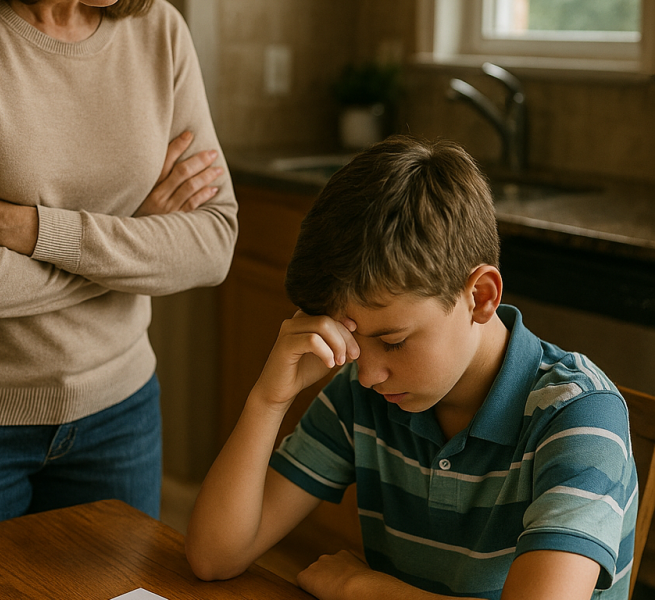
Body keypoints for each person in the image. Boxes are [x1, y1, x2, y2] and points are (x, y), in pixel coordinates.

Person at [185, 135, 637, 600]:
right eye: (353, 343)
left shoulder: (578, 417)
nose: (367, 374)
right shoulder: (365, 393)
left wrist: (366, 588)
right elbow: (214, 557)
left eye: (393, 342)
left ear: (480, 297)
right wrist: (269, 399)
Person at [0, 0, 237, 544]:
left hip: (120, 415)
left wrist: (39, 232)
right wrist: (134, 245)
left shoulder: (159, 29)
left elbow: (214, 241)